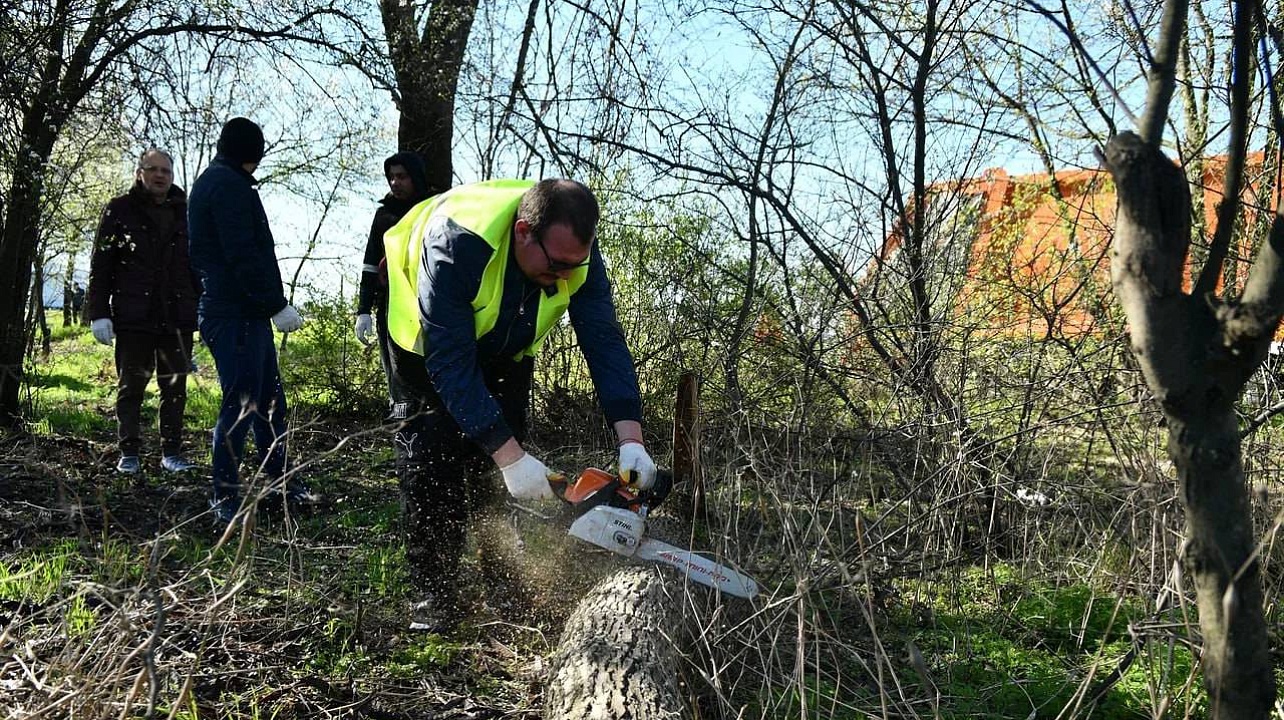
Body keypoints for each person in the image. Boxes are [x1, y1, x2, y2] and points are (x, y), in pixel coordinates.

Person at [382, 178, 658, 631]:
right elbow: (449, 362)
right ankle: (434, 595)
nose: (567, 276)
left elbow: (604, 341)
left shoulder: (573, 255)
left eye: (576, 264)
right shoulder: (458, 241)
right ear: (524, 231)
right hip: (423, 347)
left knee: (495, 463)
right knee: (433, 459)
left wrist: (631, 439)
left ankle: (506, 581)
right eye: (558, 265)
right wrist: (509, 457)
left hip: (505, 347)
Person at [187, 117, 311, 524]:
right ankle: (224, 497)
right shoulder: (226, 187)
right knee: (243, 405)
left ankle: (281, 482)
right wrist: (275, 303)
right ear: (252, 153)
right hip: (234, 313)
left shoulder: (226, 183)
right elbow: (242, 254)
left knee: (270, 404)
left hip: (245, 313)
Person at [85, 148, 200, 475]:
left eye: (166, 170)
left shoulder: (185, 214)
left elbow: (195, 267)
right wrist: (99, 312)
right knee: (131, 387)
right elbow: (101, 264)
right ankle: (130, 453)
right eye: (153, 169)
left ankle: (172, 452)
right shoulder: (119, 210)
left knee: (175, 388)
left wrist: (202, 308)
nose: (160, 175)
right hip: (134, 314)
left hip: (176, 317)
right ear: (140, 172)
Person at [354, 152, 430, 389]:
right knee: (397, 374)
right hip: (391, 306)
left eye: (402, 176)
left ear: (415, 177)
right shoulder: (384, 215)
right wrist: (363, 310)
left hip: (428, 304)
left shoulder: (432, 209)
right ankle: (401, 420)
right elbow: (370, 263)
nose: (395, 182)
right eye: (391, 177)